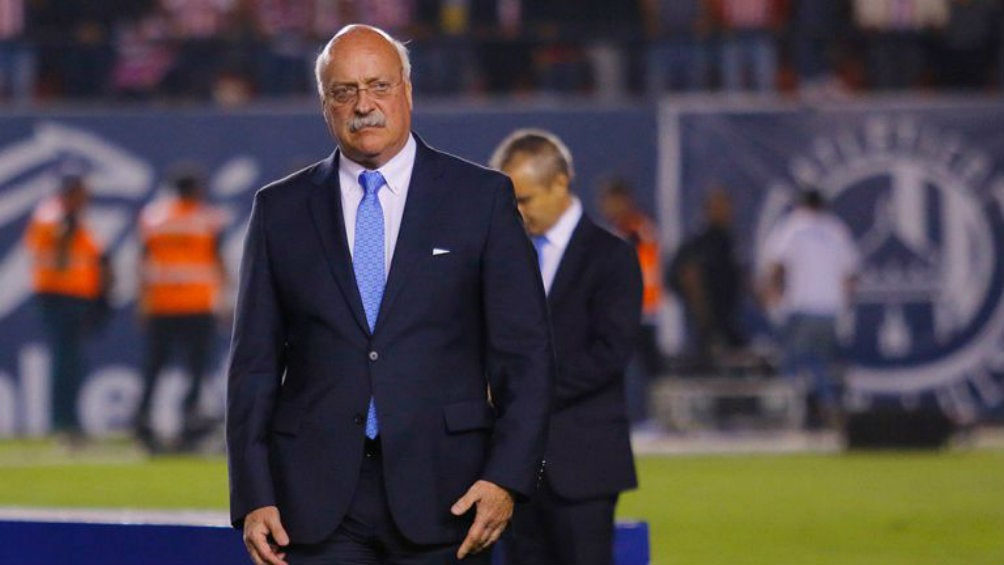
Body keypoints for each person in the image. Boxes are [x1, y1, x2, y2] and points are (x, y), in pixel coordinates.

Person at [226, 24, 552, 565]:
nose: (364, 105)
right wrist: (253, 495)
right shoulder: (280, 210)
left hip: (450, 493)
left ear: (407, 91)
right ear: (325, 105)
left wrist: (507, 478)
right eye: (344, 91)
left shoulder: (480, 198)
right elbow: (253, 368)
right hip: (313, 501)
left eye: (379, 86)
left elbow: (525, 355)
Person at [490, 130, 642, 565]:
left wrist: (523, 392)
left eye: (525, 199)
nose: (517, 212)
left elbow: (609, 355)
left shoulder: (612, 257)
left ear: (560, 183)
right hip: (514, 469)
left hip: (583, 466)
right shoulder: (501, 256)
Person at [135, 169, 229, 453]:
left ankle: (142, 419)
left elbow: (142, 262)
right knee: (196, 368)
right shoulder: (207, 218)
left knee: (155, 366)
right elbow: (218, 261)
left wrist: (143, 302)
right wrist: (224, 301)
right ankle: (189, 420)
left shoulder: (153, 217)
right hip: (197, 304)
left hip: (162, 303)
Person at [23, 173, 112, 444]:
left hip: (78, 299)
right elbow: (59, 246)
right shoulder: (52, 214)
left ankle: (69, 421)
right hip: (59, 297)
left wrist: (100, 295)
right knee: (66, 361)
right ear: (71, 193)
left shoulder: (79, 220)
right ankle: (63, 422)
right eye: (83, 194)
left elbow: (95, 258)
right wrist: (67, 227)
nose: (87, 199)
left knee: (73, 362)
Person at [759, 189, 859, 429]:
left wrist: (772, 295)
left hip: (802, 306)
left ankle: (790, 414)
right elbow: (850, 274)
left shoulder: (794, 226)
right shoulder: (836, 228)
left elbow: (776, 264)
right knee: (820, 361)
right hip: (830, 309)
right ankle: (826, 405)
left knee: (794, 363)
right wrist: (845, 306)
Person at [597, 178, 664, 433]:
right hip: (626, 310)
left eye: (611, 201)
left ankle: (645, 419)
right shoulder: (620, 229)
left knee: (639, 369)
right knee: (626, 367)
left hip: (639, 310)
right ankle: (629, 418)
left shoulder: (636, 228)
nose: (607, 206)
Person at [666, 186, 745, 363]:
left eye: (726, 207)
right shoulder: (699, 245)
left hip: (730, 324)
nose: (724, 213)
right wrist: (702, 313)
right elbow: (679, 277)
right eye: (718, 207)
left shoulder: (730, 244)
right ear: (707, 210)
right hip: (702, 329)